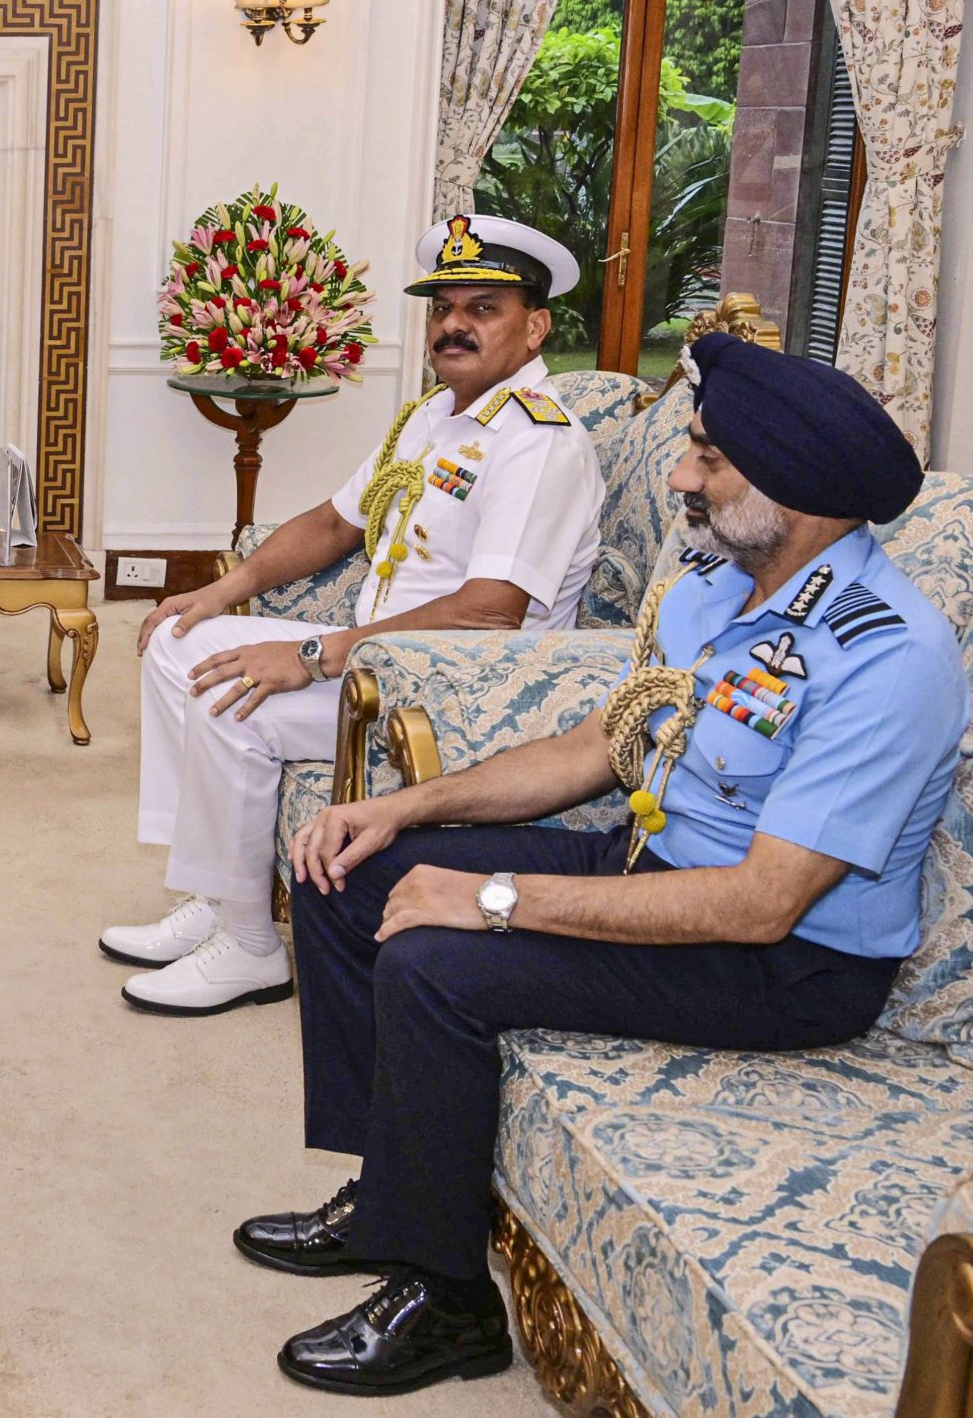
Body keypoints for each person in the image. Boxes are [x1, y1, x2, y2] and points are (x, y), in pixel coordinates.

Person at [246, 332, 961, 1396]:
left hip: (786, 964)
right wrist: (397, 809)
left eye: (708, 458)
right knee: (347, 873)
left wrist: (491, 897)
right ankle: (388, 1198)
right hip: (651, 862)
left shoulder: (888, 656)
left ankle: (445, 1301)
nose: (679, 477)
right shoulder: (717, 590)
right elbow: (593, 749)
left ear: (796, 491)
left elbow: (762, 904)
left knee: (439, 964)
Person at [104, 215, 605, 1015]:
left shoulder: (537, 442)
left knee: (234, 702)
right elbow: (335, 524)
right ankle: (216, 892)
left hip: (455, 690)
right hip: (376, 657)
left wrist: (312, 654)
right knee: (179, 640)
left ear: (535, 326)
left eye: (482, 309)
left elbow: (489, 613)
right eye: (443, 307)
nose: (453, 325)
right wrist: (219, 592)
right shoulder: (434, 417)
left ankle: (250, 947)